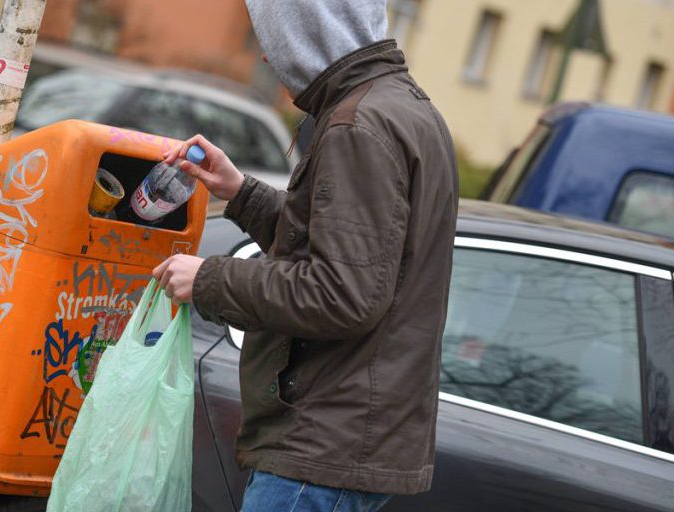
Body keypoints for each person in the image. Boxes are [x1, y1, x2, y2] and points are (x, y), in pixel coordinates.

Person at [152, 1, 459, 511]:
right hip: (348, 437)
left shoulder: (357, 125)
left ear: (309, 28)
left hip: (321, 445)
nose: (269, 61)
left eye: (274, 40)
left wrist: (209, 278)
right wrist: (242, 193)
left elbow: (342, 293)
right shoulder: (405, 107)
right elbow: (361, 256)